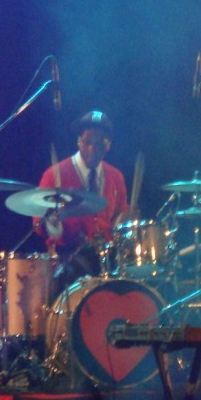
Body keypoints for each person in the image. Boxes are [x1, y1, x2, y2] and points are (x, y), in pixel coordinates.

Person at [34, 110, 129, 284]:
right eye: (88, 141)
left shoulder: (116, 176)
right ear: (79, 142)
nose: (93, 147)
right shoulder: (55, 175)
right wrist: (54, 224)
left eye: (101, 142)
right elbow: (39, 225)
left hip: (107, 260)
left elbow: (120, 216)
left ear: (108, 145)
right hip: (67, 259)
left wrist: (125, 221)